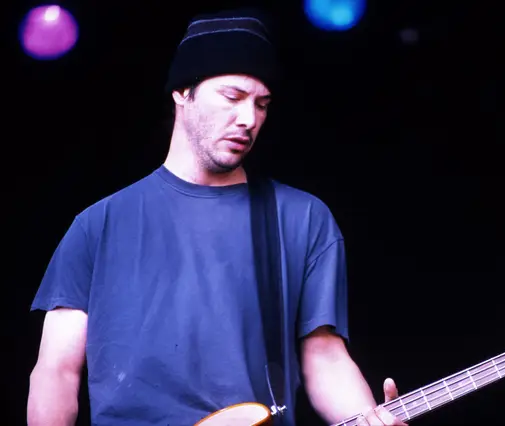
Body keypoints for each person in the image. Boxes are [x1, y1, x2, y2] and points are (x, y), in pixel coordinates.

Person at [26, 8, 407, 426]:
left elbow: (325, 357)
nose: (249, 119)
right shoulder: (98, 226)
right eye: (232, 97)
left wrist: (368, 418)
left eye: (262, 104)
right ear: (182, 93)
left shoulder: (303, 219)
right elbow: (56, 373)